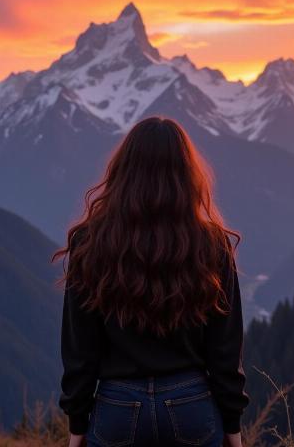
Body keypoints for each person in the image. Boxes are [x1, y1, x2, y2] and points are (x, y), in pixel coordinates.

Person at [52, 116, 249, 447]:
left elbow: (80, 348)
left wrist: (77, 426)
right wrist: (233, 427)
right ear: (187, 175)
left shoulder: (91, 241)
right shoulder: (211, 244)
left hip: (116, 407)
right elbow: (225, 349)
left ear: (123, 171)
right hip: (192, 405)